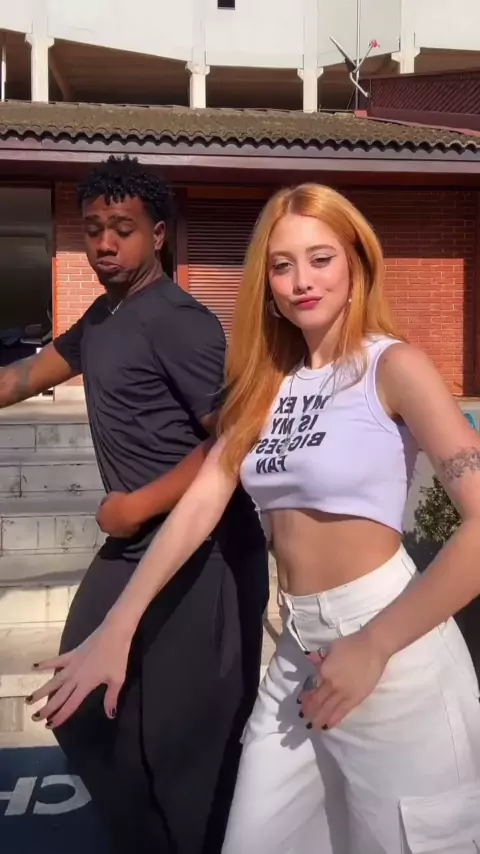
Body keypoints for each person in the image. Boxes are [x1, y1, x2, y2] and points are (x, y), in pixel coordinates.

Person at [29, 183, 480, 853]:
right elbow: (199, 506)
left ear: (356, 263)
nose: (302, 281)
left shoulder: (394, 367)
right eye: (282, 265)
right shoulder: (264, 386)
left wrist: (375, 644)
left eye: (321, 259)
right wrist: (118, 625)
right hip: (299, 649)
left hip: (392, 650)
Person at [1, 155, 269, 854]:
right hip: (132, 550)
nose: (105, 243)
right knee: (80, 708)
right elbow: (25, 376)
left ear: (158, 234)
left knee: (189, 743)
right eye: (93, 229)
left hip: (204, 554)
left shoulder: (180, 321)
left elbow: (232, 443)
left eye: (122, 228)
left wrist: (138, 505)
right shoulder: (103, 316)